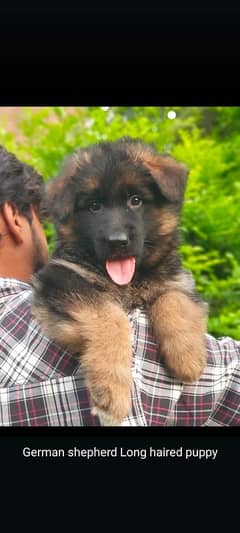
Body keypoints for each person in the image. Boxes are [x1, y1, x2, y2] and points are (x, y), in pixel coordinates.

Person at [0, 145, 239, 426]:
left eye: (135, 200)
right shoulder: (33, 311)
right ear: (13, 218)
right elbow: (57, 288)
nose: (116, 232)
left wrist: (173, 307)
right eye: (94, 206)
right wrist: (108, 333)